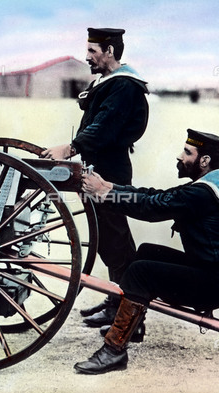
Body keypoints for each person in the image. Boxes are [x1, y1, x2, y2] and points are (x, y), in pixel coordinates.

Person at [74, 129, 219, 374]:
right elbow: (156, 195)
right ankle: (132, 326)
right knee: (146, 252)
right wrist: (110, 186)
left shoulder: (200, 193)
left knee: (140, 272)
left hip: (217, 285)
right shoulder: (206, 186)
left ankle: (113, 351)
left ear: (205, 161)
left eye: (187, 153)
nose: (180, 157)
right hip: (214, 273)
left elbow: (152, 207)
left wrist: (105, 194)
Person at [42, 27, 149, 327]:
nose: (86, 56)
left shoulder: (124, 86)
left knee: (114, 241)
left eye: (92, 51)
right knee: (109, 240)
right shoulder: (108, 82)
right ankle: (120, 300)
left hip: (110, 170)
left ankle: (130, 316)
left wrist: (70, 147)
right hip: (100, 165)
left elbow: (103, 127)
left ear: (110, 51)